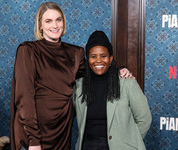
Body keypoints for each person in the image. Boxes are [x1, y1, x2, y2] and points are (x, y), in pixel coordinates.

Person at [10, 2, 133, 150]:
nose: (55, 25)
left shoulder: (75, 53)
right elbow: (24, 97)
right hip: (33, 133)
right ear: (40, 25)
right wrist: (34, 140)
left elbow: (92, 74)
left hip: (61, 130)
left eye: (58, 19)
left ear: (63, 22)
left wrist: (117, 69)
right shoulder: (28, 50)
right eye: (48, 21)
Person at [73, 31, 152, 150]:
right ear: (87, 60)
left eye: (103, 56)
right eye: (93, 56)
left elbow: (144, 119)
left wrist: (129, 143)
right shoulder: (79, 87)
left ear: (110, 59)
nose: (98, 60)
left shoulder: (127, 83)